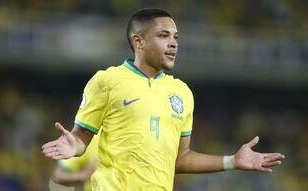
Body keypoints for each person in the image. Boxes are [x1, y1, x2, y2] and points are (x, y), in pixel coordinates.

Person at [42, 8, 285, 191]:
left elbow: (181, 159)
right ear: (139, 41)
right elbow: (81, 138)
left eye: (176, 37)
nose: (173, 44)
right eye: (163, 35)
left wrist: (232, 161)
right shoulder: (108, 80)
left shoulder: (182, 92)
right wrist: (74, 145)